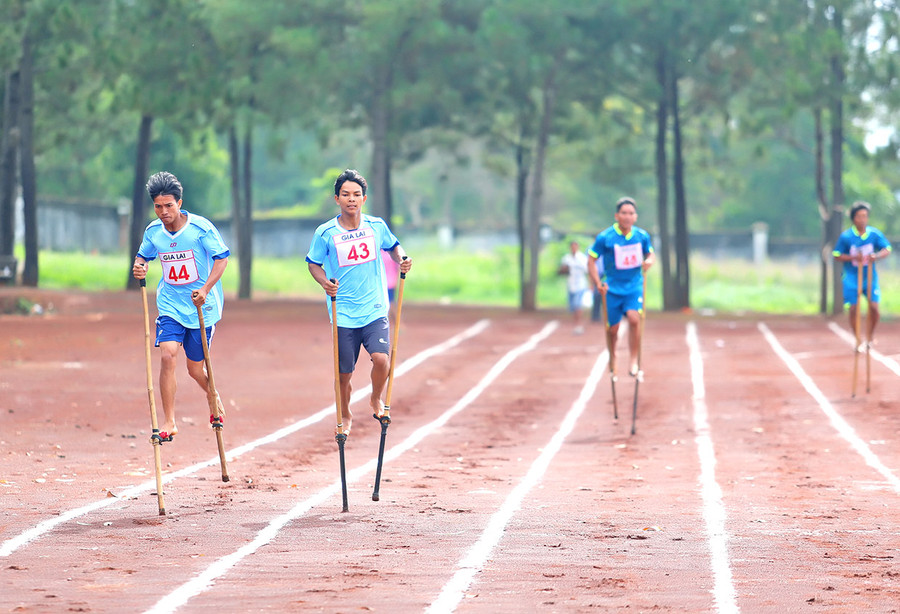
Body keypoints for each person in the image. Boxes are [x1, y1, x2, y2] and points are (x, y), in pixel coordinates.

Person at [306, 169, 412, 436]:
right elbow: (313, 264)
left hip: (374, 308)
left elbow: (394, 246)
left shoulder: (376, 226)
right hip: (342, 313)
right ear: (337, 199)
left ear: (364, 198)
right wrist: (323, 282)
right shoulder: (325, 232)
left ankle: (375, 397)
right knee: (344, 374)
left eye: (356, 195)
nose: (351, 199)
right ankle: (345, 411)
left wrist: (402, 258)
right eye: (345, 195)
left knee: (381, 359)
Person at [132, 171, 229, 442]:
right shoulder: (154, 232)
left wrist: (206, 288)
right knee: (167, 356)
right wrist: (141, 266)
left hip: (201, 307)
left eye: (169, 206)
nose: (164, 212)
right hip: (171, 305)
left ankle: (212, 395)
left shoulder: (200, 230)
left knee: (195, 369)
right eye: (158, 206)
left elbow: (222, 259)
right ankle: (170, 421)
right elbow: (143, 255)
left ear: (180, 203)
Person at [588, 197, 655, 376]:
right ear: (617, 215)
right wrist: (597, 282)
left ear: (635, 216)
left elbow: (650, 254)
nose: (627, 217)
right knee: (612, 329)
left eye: (631, 213)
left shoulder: (642, 236)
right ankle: (613, 356)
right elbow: (592, 260)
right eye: (624, 213)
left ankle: (633, 359)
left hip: (633, 286)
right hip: (612, 288)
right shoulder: (605, 237)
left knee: (634, 319)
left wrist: (648, 261)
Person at [833, 200, 892, 347]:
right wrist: (853, 257)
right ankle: (857, 339)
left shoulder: (874, 234)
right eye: (859, 216)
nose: (862, 219)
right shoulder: (846, 237)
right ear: (853, 218)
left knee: (874, 308)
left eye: (865, 216)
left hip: (870, 277)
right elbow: (836, 254)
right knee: (853, 309)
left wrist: (876, 256)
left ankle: (870, 337)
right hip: (851, 277)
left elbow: (887, 249)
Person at [558, 240, 589, 334]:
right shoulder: (566, 258)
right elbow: (561, 271)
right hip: (570, 284)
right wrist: (563, 270)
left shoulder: (582, 258)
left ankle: (578, 324)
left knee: (577, 305)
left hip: (580, 284)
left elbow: (588, 271)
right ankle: (575, 323)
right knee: (572, 307)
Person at [382, 248, 401, 326]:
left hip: (384, 283)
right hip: (392, 282)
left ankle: (397, 324)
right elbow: (397, 268)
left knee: (390, 304)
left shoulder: (380, 256)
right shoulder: (391, 255)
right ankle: (396, 323)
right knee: (391, 303)